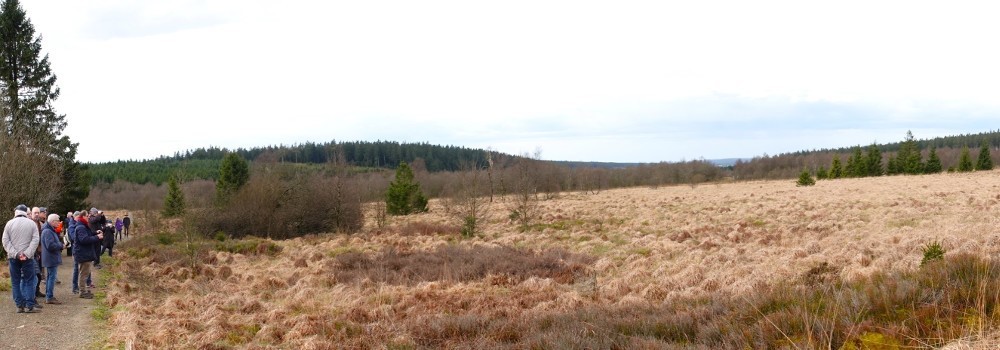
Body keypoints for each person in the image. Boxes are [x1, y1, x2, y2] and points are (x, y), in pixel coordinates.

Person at [3, 205, 40, 313]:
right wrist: (27, 253)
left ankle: (19, 305)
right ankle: (30, 305)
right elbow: (35, 240)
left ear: (16, 212)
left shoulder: (9, 224)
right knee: (29, 281)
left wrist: (15, 254)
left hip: (13, 257)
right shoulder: (32, 223)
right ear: (25, 212)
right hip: (28, 258)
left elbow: (5, 241)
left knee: (15, 281)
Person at [73, 211, 102, 299]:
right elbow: (84, 239)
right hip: (83, 253)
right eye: (87, 216)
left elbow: (87, 235)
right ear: (83, 217)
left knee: (85, 273)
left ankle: (84, 290)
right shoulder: (81, 227)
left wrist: (95, 233)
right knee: (83, 273)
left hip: (85, 253)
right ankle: (82, 292)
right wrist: (97, 237)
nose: (89, 217)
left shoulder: (83, 225)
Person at [40, 214, 64, 304]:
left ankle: (49, 296)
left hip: (51, 258)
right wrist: (61, 245)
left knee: (50, 277)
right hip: (50, 258)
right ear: (52, 221)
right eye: (57, 221)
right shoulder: (47, 231)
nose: (59, 222)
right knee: (51, 278)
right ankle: (49, 297)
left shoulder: (49, 230)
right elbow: (50, 246)